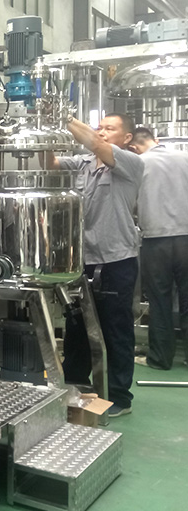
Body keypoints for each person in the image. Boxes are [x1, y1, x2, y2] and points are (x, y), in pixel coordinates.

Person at [51, 114, 144, 418]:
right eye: (100, 127)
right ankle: (76, 384)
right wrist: (42, 132)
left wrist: (62, 116)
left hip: (116, 260)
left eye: (109, 129)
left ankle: (119, 396)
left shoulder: (130, 162)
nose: (102, 132)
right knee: (77, 327)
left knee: (115, 329)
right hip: (83, 259)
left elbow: (95, 143)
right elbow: (50, 162)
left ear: (126, 138)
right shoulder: (83, 164)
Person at [128, 127, 188, 369]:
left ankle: (160, 359)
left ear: (132, 147)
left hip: (156, 240)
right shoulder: (185, 157)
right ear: (156, 139)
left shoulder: (137, 164)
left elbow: (130, 203)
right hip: (187, 236)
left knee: (160, 301)